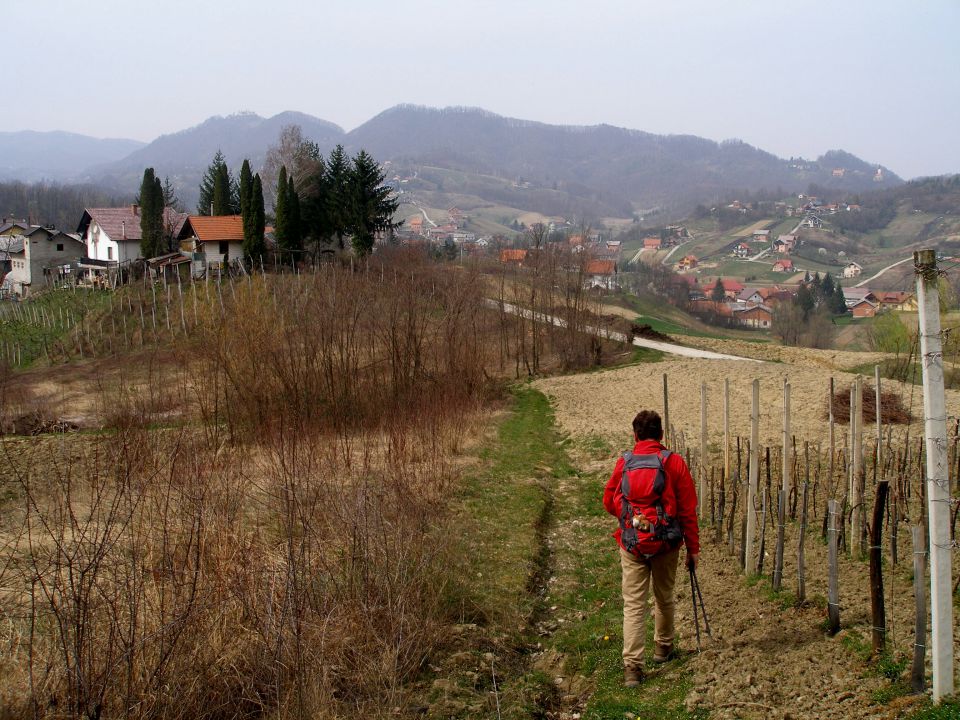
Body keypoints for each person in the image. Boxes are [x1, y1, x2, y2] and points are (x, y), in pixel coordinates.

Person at [602, 410, 700, 687]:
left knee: (634, 604)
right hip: (666, 543)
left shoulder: (625, 462)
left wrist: (630, 521)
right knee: (664, 596)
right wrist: (693, 548)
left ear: (635, 435)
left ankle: (633, 667)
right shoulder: (674, 463)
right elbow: (688, 510)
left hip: (631, 543)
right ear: (661, 435)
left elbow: (609, 500)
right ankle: (663, 648)